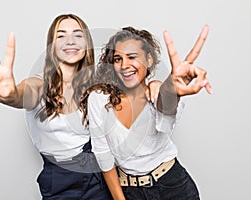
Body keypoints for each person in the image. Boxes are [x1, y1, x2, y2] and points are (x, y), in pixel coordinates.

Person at [0, 14, 161, 199]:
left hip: (99, 180)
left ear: (87, 45)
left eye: (78, 35)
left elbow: (132, 89)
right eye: (61, 36)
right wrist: (9, 95)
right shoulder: (39, 86)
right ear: (51, 47)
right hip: (58, 182)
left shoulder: (99, 89)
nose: (70, 40)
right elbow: (21, 95)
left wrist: (155, 85)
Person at [80, 25, 213, 199]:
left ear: (149, 60)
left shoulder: (157, 93)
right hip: (130, 191)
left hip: (173, 185)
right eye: (118, 59)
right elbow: (103, 154)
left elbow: (165, 119)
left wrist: (171, 88)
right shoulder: (98, 98)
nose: (124, 65)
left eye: (132, 57)